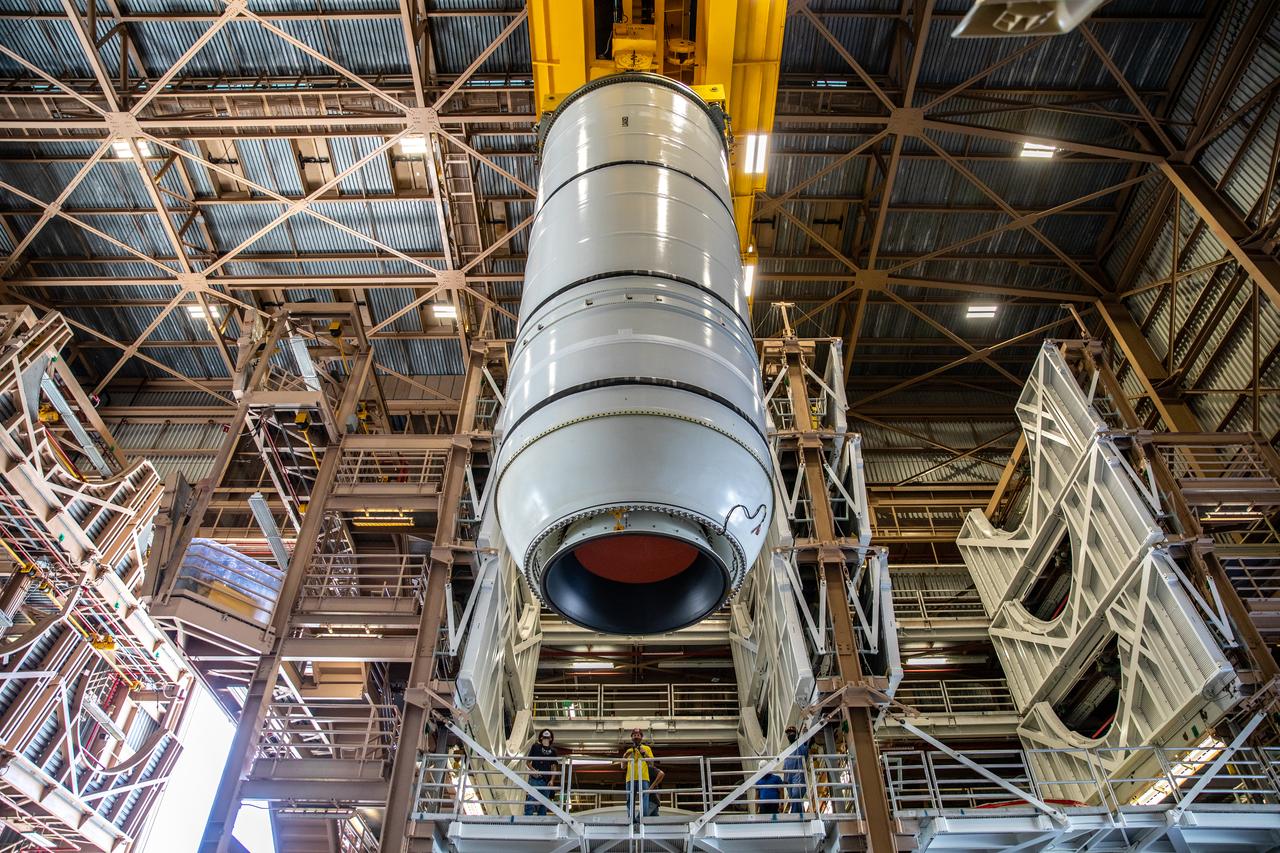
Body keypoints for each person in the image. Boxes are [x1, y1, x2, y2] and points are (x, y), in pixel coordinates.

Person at [621, 728, 663, 824]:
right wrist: (624, 757)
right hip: (630, 778)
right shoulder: (628, 751)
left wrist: (644, 753)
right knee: (630, 799)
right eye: (634, 735)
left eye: (638, 735)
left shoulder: (647, 749)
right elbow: (623, 767)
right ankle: (631, 819)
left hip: (643, 777)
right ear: (631, 737)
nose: (636, 736)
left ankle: (643, 818)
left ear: (641, 737)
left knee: (645, 797)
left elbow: (651, 764)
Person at [524, 728, 559, 816]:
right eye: (544, 737)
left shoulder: (553, 751)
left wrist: (551, 780)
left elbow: (554, 767)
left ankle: (541, 819)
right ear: (541, 738)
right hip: (536, 778)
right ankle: (528, 818)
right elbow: (528, 762)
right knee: (531, 799)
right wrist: (534, 771)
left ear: (550, 739)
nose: (545, 739)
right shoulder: (535, 747)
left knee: (544, 802)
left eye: (547, 738)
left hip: (546, 780)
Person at [782, 724, 810, 813]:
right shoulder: (787, 750)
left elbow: (805, 749)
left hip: (798, 774)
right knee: (792, 797)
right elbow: (785, 764)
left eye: (792, 732)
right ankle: (801, 813)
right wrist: (785, 778)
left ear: (796, 734)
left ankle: (795, 814)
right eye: (788, 733)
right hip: (789, 777)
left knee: (796, 794)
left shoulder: (800, 744)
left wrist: (806, 735)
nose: (790, 734)